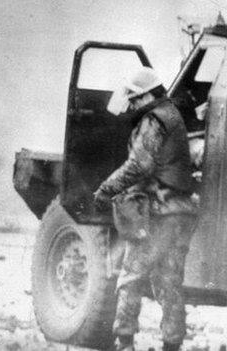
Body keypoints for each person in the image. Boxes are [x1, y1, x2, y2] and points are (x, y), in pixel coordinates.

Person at [93, 67, 197, 351]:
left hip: (159, 213)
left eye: (136, 99)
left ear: (149, 95)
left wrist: (106, 188)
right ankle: (171, 344)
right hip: (182, 211)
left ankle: (124, 341)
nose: (134, 105)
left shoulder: (154, 119)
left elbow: (139, 165)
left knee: (130, 276)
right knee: (170, 281)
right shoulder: (173, 115)